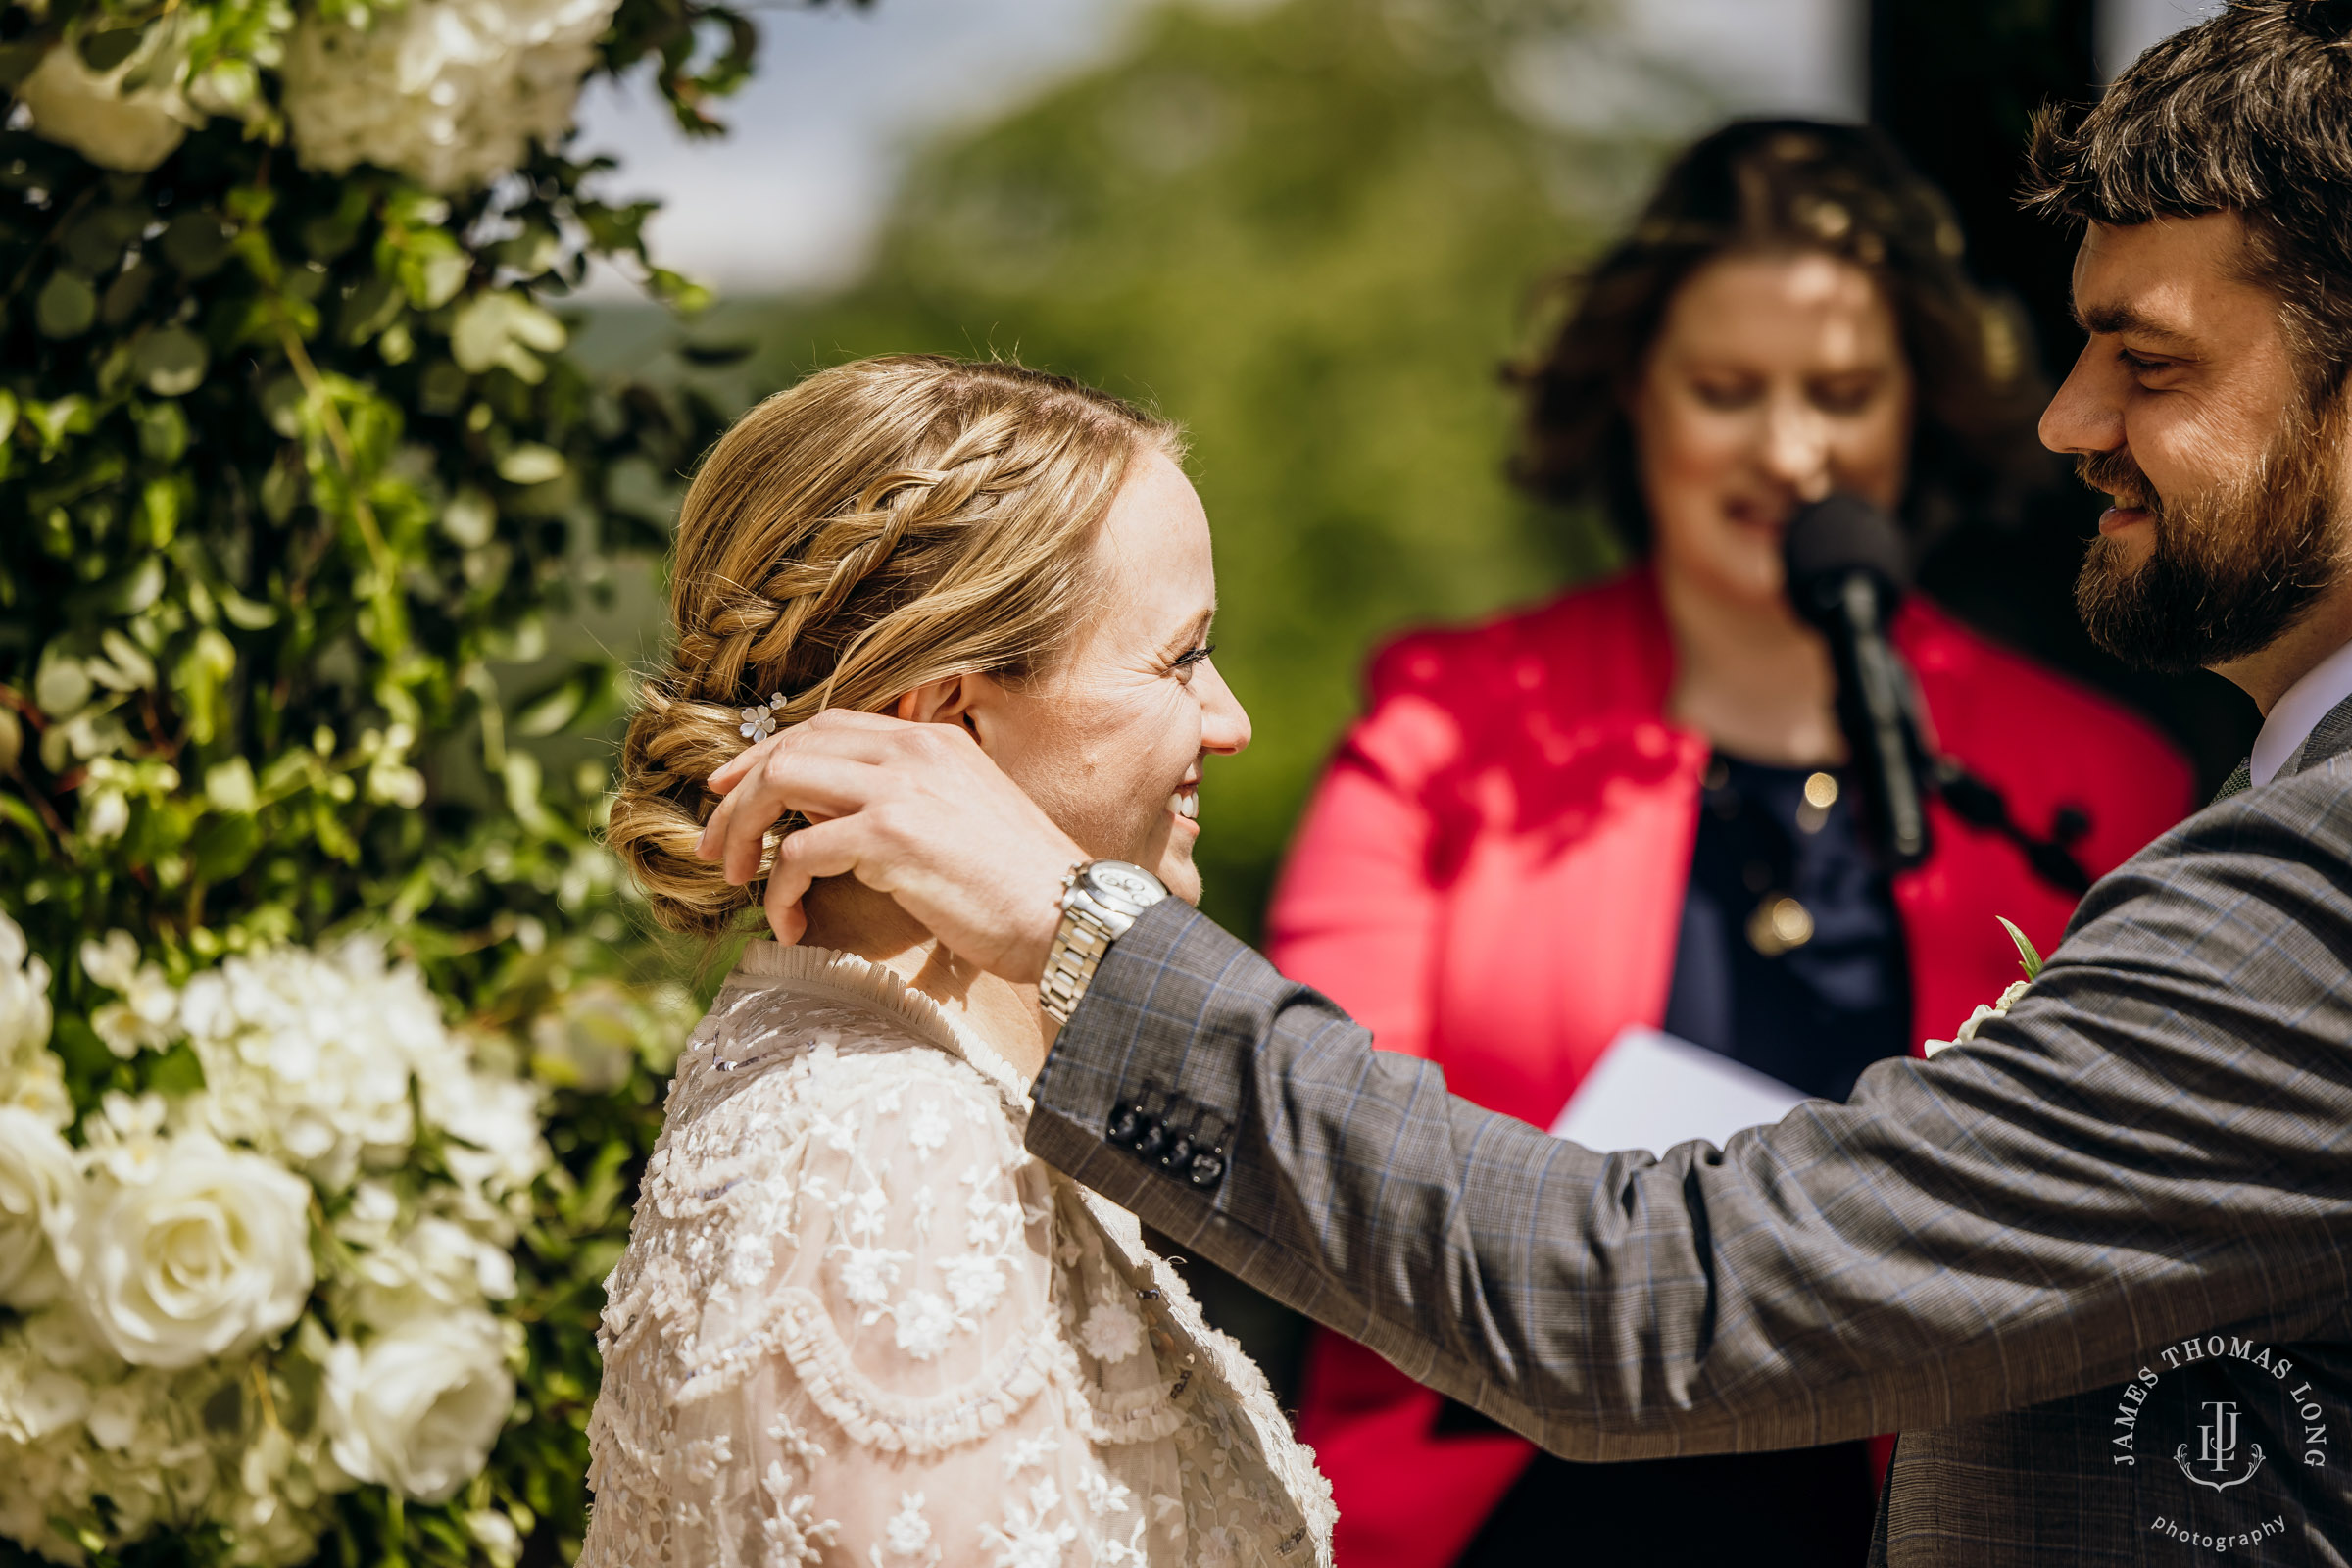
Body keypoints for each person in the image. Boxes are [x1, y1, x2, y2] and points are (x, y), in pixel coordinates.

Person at [697, 5, 2352, 1561]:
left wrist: (1069, 926)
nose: (2072, 419)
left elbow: (1666, 1292)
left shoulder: (2258, 865)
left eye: (2152, 362)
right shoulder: (1447, 734)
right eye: (1725, 390)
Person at [1263, 120, 2191, 1568]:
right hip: (1517, 1500)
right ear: (1634, 399)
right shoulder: (1446, 726)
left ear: (1916, 408)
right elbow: (1313, 1134)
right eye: (1724, 390)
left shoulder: (2094, 777)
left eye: (1840, 391)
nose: (1787, 448)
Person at [579, 355, 1335, 1568]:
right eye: (1181, 658)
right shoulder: (894, 1153)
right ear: (948, 719)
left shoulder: (870, 1067)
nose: (1229, 719)